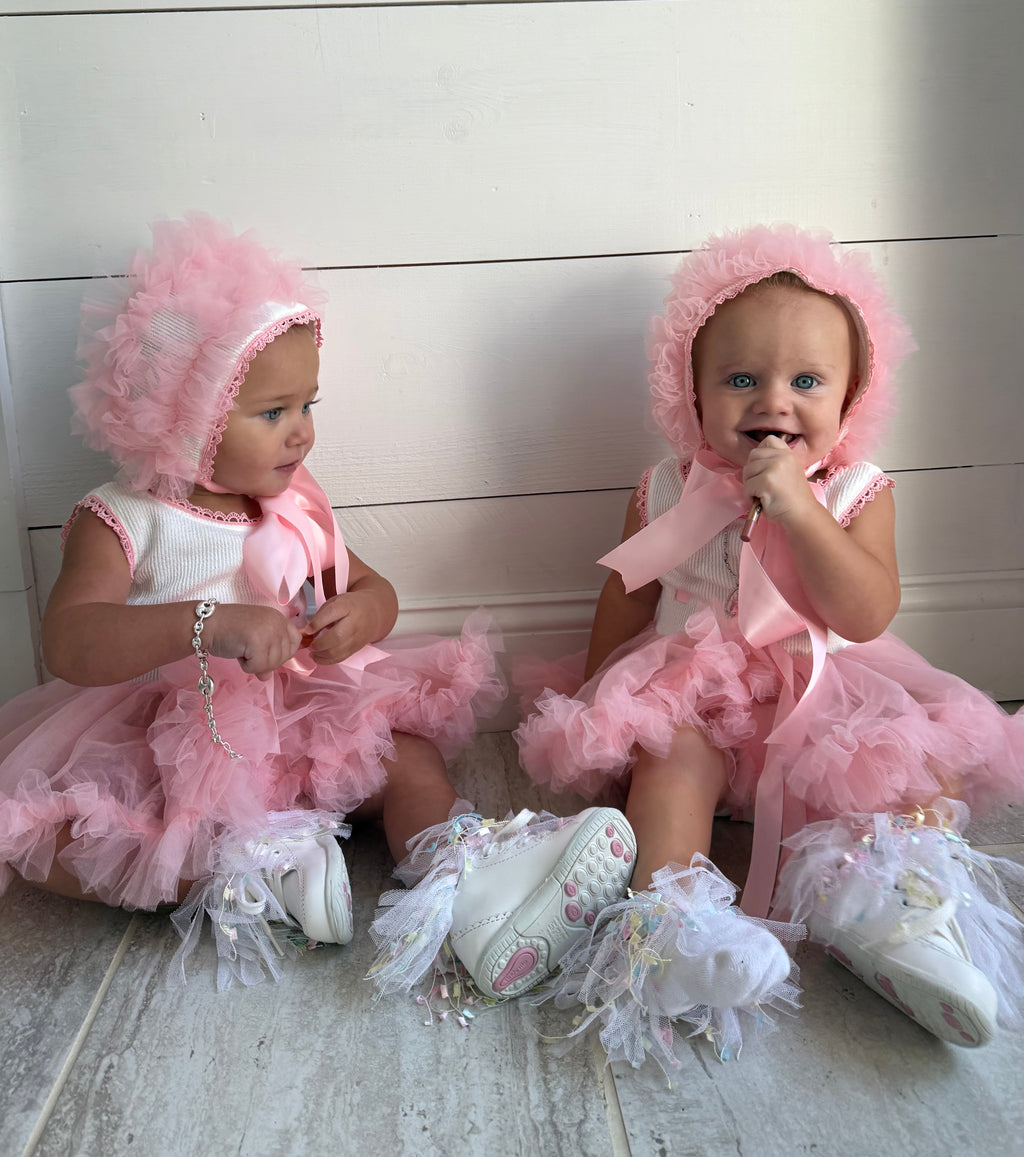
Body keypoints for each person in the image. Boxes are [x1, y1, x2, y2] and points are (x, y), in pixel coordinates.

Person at [0, 214, 635, 997]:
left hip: (303, 713)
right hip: (178, 738)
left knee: (408, 758)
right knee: (69, 838)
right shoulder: (125, 517)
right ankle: (256, 873)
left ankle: (466, 884)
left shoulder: (294, 502)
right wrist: (209, 625)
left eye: (308, 404)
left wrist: (361, 615)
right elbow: (71, 639)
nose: (301, 433)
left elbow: (374, 588)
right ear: (186, 420)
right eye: (272, 413)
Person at [515, 224, 1024, 1067]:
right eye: (741, 378)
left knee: (915, 771)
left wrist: (801, 511)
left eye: (807, 380)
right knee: (670, 762)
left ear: (852, 395)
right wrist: (598, 700)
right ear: (694, 391)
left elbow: (864, 614)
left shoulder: (859, 490)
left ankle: (894, 912)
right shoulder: (668, 485)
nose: (773, 401)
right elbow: (628, 588)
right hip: (694, 683)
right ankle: (678, 926)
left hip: (820, 690)